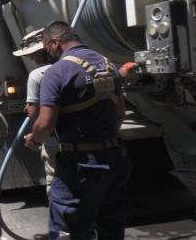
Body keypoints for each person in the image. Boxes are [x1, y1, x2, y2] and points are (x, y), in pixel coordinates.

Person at [24, 21, 128, 240]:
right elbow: (120, 113)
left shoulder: (57, 72)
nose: (48, 52)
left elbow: (45, 123)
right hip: (114, 158)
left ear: (54, 42)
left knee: (67, 227)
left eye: (46, 47)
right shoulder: (108, 66)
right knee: (111, 225)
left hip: (79, 164)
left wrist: (35, 138)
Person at [12, 28, 58, 192]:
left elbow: (35, 114)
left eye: (32, 53)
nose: (30, 57)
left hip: (56, 140)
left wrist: (35, 138)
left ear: (43, 50)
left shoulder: (37, 75)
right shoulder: (75, 67)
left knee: (55, 182)